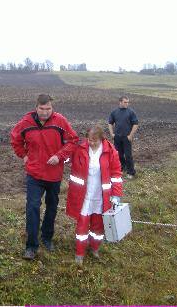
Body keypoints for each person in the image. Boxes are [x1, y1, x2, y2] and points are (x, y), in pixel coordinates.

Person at [11, 94, 78, 260]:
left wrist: (60, 155)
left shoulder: (60, 121)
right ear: (36, 107)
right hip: (34, 174)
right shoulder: (25, 123)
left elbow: (73, 140)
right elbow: (15, 140)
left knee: (52, 207)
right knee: (32, 207)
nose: (45, 112)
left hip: (54, 174)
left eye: (48, 108)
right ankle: (31, 246)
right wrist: (24, 155)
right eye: (42, 109)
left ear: (52, 107)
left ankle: (47, 238)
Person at [66, 124, 123, 265]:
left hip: (101, 196)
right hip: (83, 195)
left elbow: (116, 174)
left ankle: (95, 248)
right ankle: (79, 253)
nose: (91, 143)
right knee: (82, 225)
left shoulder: (110, 151)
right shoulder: (80, 149)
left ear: (101, 139)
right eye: (89, 140)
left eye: (94, 141)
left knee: (98, 226)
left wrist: (116, 194)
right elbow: (66, 157)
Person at [108, 95, 139, 179]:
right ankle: (122, 168)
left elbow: (135, 124)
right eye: (125, 102)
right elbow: (110, 123)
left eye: (127, 102)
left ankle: (131, 172)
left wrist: (130, 135)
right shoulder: (114, 112)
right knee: (118, 155)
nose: (127, 104)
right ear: (120, 102)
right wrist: (112, 134)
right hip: (117, 137)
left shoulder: (131, 112)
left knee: (128, 155)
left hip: (126, 138)